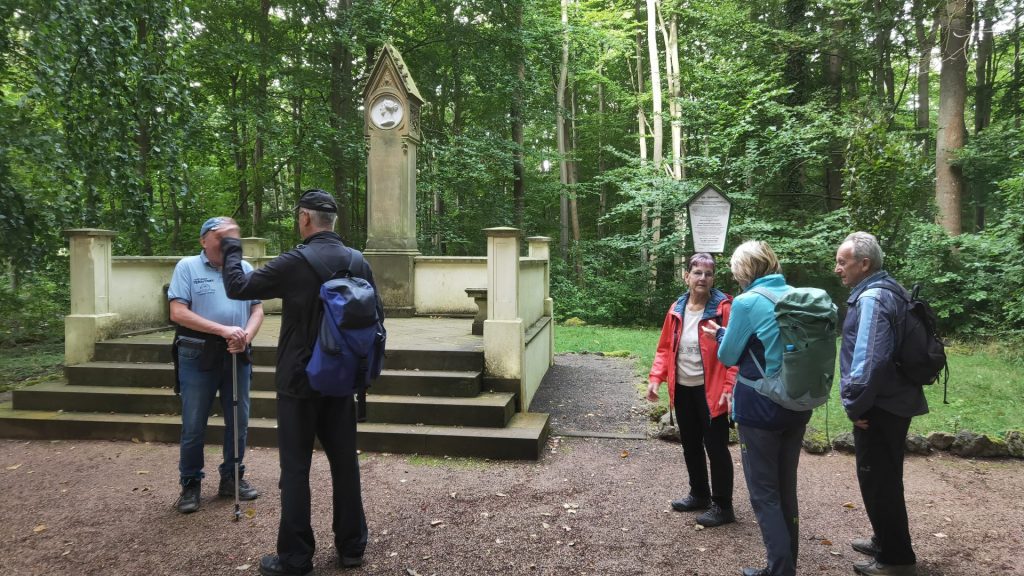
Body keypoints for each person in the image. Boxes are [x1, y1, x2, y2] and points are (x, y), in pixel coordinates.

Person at [215, 189, 381, 576]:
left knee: (295, 470)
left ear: (305, 218)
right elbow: (378, 320)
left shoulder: (294, 262)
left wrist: (232, 246)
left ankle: (295, 558)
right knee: (345, 466)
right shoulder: (359, 262)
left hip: (298, 382)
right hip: (343, 382)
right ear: (332, 221)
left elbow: (238, 286)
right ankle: (352, 548)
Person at [703, 241, 810, 576]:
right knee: (786, 487)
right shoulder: (796, 295)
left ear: (744, 270)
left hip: (761, 409)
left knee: (764, 493)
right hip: (797, 402)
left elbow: (728, 355)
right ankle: (786, 564)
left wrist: (721, 336)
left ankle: (779, 570)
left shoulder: (747, 302)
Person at [835, 231, 927, 576]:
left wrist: (854, 404)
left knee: (879, 480)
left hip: (880, 405)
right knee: (884, 476)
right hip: (893, 398)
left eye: (842, 262)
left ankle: (896, 560)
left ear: (864, 264)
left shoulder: (873, 297)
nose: (837, 268)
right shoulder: (890, 289)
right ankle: (884, 540)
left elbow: (869, 358)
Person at [167, 216, 264, 514]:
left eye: (231, 235)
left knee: (239, 420)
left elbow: (257, 309)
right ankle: (190, 483)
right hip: (197, 353)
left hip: (237, 353)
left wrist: (246, 337)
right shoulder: (187, 267)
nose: (227, 241)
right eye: (220, 235)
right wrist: (223, 330)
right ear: (203, 240)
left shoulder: (244, 268)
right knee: (194, 422)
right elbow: (178, 312)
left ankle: (232, 478)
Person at [647, 252, 737, 527]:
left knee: (716, 448)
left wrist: (730, 386)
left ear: (713, 278)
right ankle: (699, 494)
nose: (703, 278)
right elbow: (665, 348)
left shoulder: (724, 308)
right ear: (686, 276)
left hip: (712, 391)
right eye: (697, 272)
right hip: (683, 388)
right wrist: (656, 378)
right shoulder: (676, 308)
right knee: (690, 445)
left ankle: (723, 506)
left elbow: (735, 351)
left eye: (708, 274)